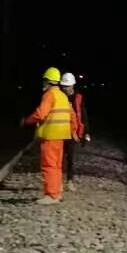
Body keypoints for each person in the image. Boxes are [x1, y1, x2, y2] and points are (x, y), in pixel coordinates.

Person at [21, 66, 74, 205]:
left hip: (50, 135)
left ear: (47, 81)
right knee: (56, 165)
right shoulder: (62, 95)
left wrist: (27, 121)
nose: (43, 83)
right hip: (61, 136)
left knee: (49, 165)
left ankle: (51, 195)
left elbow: (41, 113)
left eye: (44, 81)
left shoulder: (49, 95)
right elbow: (71, 115)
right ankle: (56, 193)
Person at [60, 72, 88, 190]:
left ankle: (70, 181)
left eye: (67, 86)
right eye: (63, 86)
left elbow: (83, 116)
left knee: (70, 157)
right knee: (59, 158)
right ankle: (58, 182)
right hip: (60, 130)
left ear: (72, 85)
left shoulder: (78, 98)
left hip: (73, 132)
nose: (64, 88)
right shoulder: (59, 96)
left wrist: (86, 132)